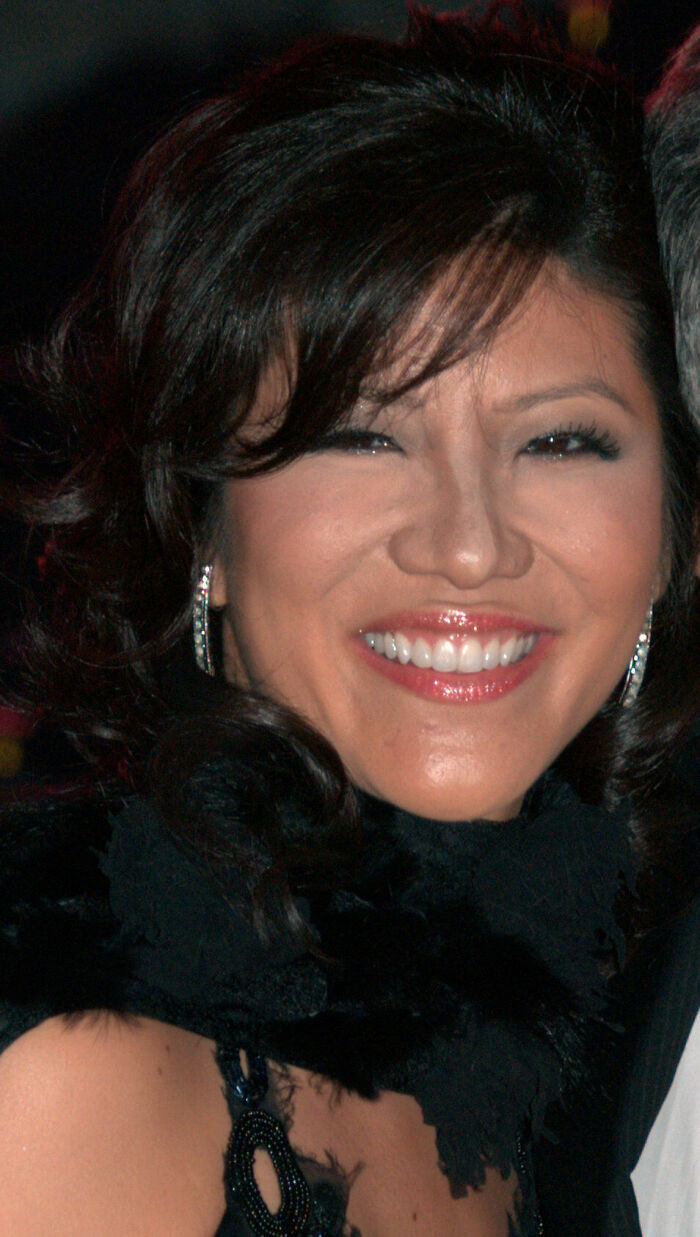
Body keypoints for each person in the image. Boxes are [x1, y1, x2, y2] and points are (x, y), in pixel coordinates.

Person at [2, 6, 700, 1235]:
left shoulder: (558, 1052)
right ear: (204, 529)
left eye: (558, 440)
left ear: (669, 536)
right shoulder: (59, 1072)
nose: (468, 542)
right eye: (361, 435)